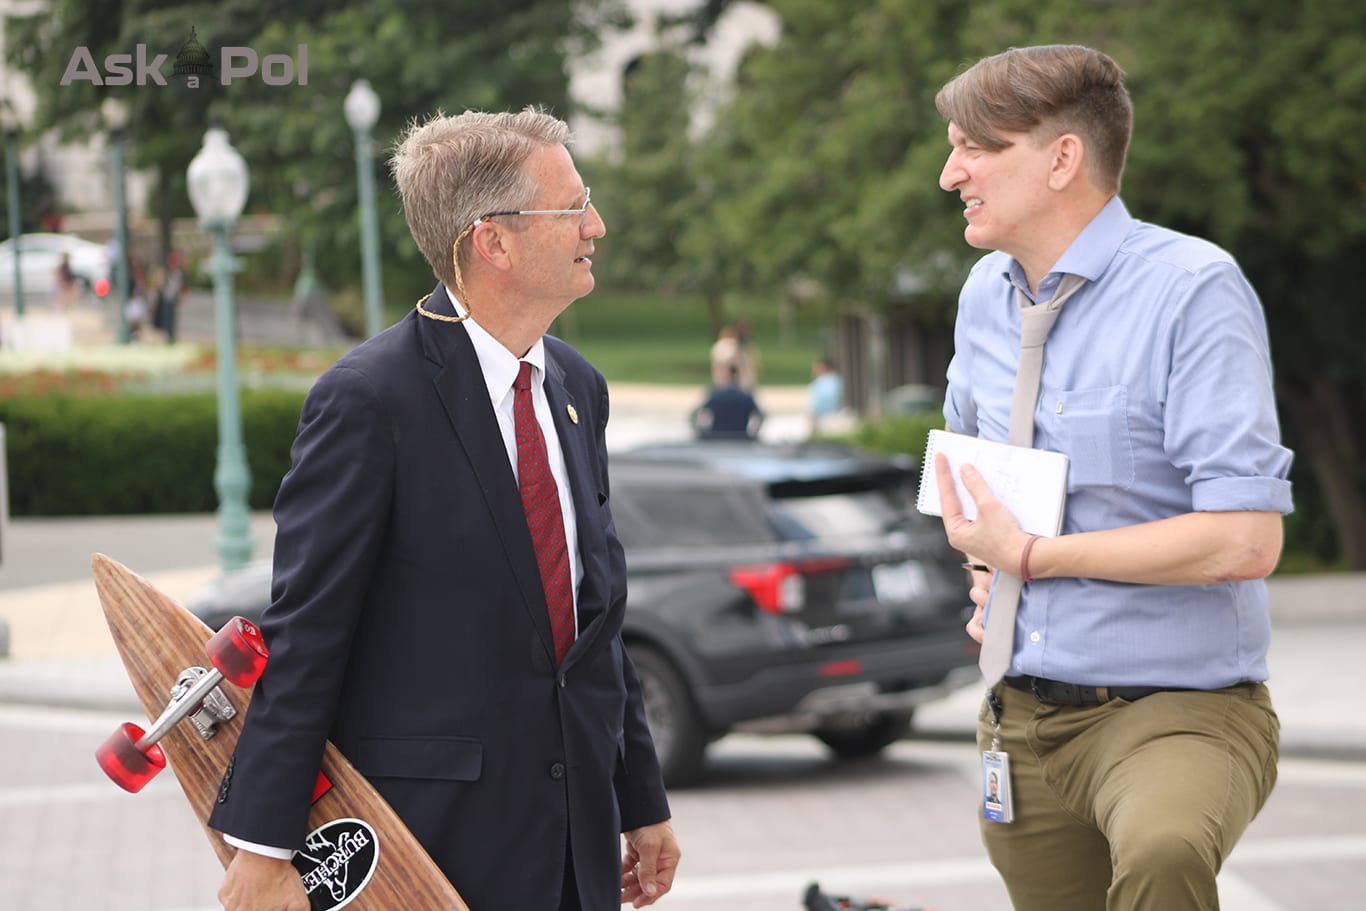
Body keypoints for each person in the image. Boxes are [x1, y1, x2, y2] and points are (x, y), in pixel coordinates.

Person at [209, 107, 680, 911]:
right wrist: (261, 845)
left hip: (577, 854)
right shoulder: (367, 401)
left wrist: (641, 800)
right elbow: (309, 631)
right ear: (491, 241)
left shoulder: (578, 389)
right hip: (430, 853)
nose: (594, 224)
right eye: (571, 207)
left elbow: (592, 626)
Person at [930, 45, 1291, 911]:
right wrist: (986, 567)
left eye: (977, 146)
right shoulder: (983, 294)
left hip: (1178, 710)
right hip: (1018, 721)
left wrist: (1034, 554)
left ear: (1062, 158)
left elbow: (1247, 537)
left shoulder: (1193, 289)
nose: (951, 174)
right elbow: (976, 484)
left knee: (1164, 853)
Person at [692, 364, 764, 439]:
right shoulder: (745, 397)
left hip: (717, 437)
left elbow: (695, 414)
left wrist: (702, 434)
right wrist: (753, 435)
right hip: (740, 438)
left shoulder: (716, 395)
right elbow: (760, 415)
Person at [806, 356, 843, 437]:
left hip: (826, 419)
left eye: (816, 367)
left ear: (823, 367)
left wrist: (812, 418)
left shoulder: (824, 383)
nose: (814, 370)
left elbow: (822, 402)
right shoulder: (836, 380)